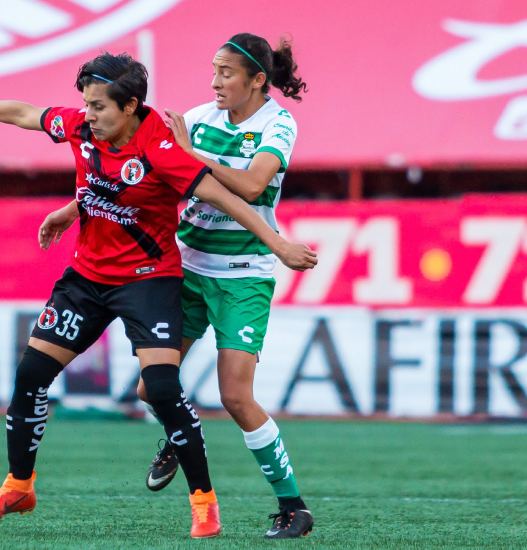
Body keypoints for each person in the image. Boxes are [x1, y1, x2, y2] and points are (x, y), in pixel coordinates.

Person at [0, 51, 317, 539]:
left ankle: (205, 504)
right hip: (87, 278)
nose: (87, 116)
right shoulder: (89, 126)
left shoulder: (163, 146)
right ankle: (18, 485)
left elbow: (225, 195)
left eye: (98, 108)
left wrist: (278, 244)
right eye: (86, 105)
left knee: (164, 390)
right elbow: (26, 114)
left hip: (148, 280)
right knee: (31, 374)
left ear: (130, 106)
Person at [136, 33, 315, 539]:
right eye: (213, 70)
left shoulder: (278, 124)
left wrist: (191, 155)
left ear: (259, 80)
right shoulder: (197, 117)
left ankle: (293, 507)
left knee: (236, 397)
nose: (215, 81)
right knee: (151, 387)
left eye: (227, 73)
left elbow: (255, 185)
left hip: (243, 279)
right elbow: (147, 175)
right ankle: (181, 432)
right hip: (187, 271)